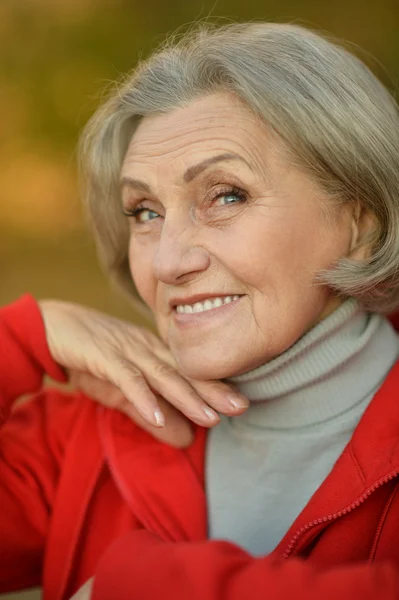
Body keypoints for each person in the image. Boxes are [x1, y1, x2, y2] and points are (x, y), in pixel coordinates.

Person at [2, 21, 399, 600]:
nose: (167, 262)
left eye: (225, 195)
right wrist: (19, 339)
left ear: (361, 225)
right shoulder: (89, 435)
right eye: (144, 211)